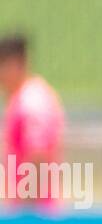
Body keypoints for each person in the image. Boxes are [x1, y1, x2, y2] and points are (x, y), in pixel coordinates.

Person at [0, 33, 65, 210]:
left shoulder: (32, 101)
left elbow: (38, 158)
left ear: (15, 63)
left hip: (36, 217)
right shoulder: (22, 98)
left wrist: (26, 216)